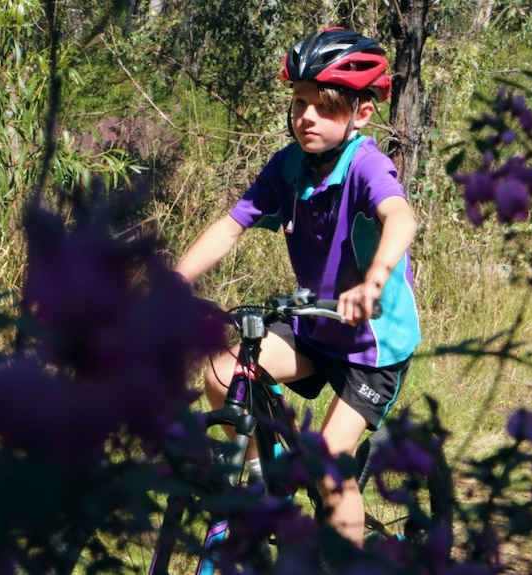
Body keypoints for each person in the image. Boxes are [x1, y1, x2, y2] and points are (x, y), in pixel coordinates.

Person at [174, 26, 421, 547]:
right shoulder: (287, 166)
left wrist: (373, 281)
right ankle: (277, 472)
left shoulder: (367, 164)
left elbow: (400, 217)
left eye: (324, 106)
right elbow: (230, 225)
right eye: (299, 102)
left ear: (361, 112)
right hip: (316, 325)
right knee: (224, 374)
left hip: (371, 344)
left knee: (332, 466)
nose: (306, 116)